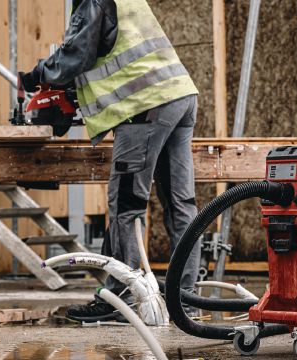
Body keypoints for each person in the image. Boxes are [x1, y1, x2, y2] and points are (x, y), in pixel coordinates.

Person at [20, 0, 201, 322]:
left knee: (126, 207)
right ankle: (185, 300)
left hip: (144, 107)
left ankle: (123, 299)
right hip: (180, 97)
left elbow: (77, 54)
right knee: (180, 204)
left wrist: (38, 74)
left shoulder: (95, 1)